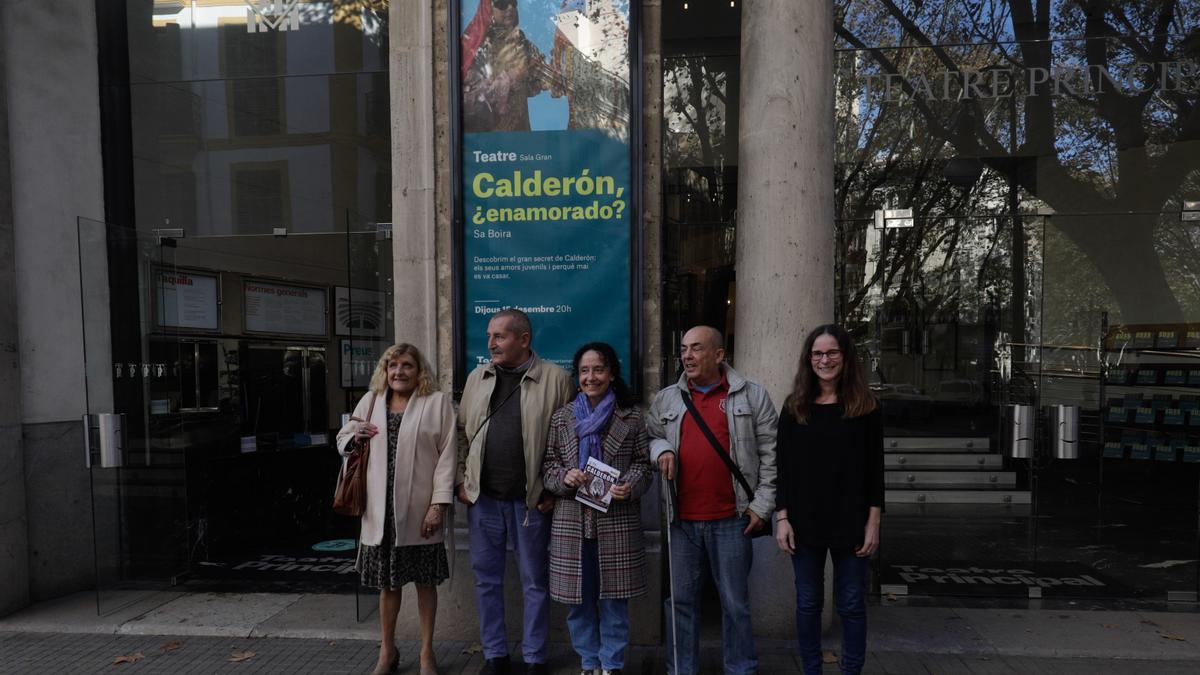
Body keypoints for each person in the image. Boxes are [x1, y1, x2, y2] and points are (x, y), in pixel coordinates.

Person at [647, 325, 778, 675]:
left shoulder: (752, 395)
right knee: (681, 603)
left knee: (735, 604)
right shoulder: (667, 398)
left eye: (697, 348)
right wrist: (661, 449)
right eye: (684, 349)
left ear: (720, 355)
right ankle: (681, 669)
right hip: (682, 521)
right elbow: (651, 435)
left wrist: (762, 507)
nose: (687, 356)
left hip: (732, 520)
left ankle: (740, 669)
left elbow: (773, 457)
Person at [457, 308, 573, 675]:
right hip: (484, 501)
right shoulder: (478, 377)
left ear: (524, 339)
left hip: (531, 502)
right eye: (490, 336)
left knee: (535, 582)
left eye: (500, 336)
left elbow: (568, 441)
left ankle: (535, 657)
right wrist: (462, 480)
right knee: (486, 580)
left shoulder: (556, 379)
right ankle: (494, 654)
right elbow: (461, 434)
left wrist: (555, 488)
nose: (491, 343)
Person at [336, 344, 456, 675]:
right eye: (392, 365)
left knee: (424, 583)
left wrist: (438, 505)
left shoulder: (437, 403)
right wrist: (353, 434)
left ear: (420, 371)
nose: (398, 372)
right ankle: (387, 652)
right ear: (384, 370)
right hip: (379, 512)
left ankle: (426, 653)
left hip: (419, 512)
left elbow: (448, 456)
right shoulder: (371, 400)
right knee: (387, 586)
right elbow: (342, 439)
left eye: (406, 365)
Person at [774, 324, 883, 675]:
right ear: (809, 359)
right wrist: (782, 517)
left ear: (845, 356)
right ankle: (812, 671)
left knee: (851, 604)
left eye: (832, 352)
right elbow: (783, 467)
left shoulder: (865, 407)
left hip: (851, 521)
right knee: (808, 603)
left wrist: (874, 522)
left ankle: (851, 671)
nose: (825, 360)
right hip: (805, 522)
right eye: (818, 353)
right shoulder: (795, 407)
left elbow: (875, 470)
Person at [542, 342, 653, 675]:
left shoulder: (632, 417)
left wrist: (629, 485)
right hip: (572, 524)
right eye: (585, 371)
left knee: (615, 602)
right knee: (578, 603)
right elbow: (547, 466)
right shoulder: (563, 417)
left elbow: (644, 465)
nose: (591, 377)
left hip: (616, 521)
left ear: (612, 374)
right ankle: (589, 662)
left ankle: (612, 664)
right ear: (578, 377)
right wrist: (565, 475)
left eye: (599, 369)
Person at [461, 0, 549, 132]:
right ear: (489, 9)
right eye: (502, 4)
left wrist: (541, 80)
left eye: (513, 3)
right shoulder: (477, 48)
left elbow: (529, 88)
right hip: (490, 141)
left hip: (520, 133)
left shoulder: (523, 43)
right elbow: (471, 100)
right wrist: (513, 77)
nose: (510, 8)